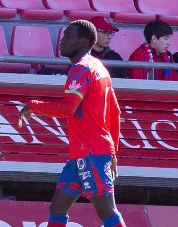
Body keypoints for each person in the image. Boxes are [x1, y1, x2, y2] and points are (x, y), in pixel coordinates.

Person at [14, 20, 128, 227]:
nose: (62, 41)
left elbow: (68, 108)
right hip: (84, 152)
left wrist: (33, 105)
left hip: (91, 152)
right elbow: (115, 112)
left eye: (68, 37)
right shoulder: (99, 67)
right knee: (58, 207)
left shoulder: (81, 68)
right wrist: (113, 152)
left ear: (83, 42)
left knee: (107, 211)